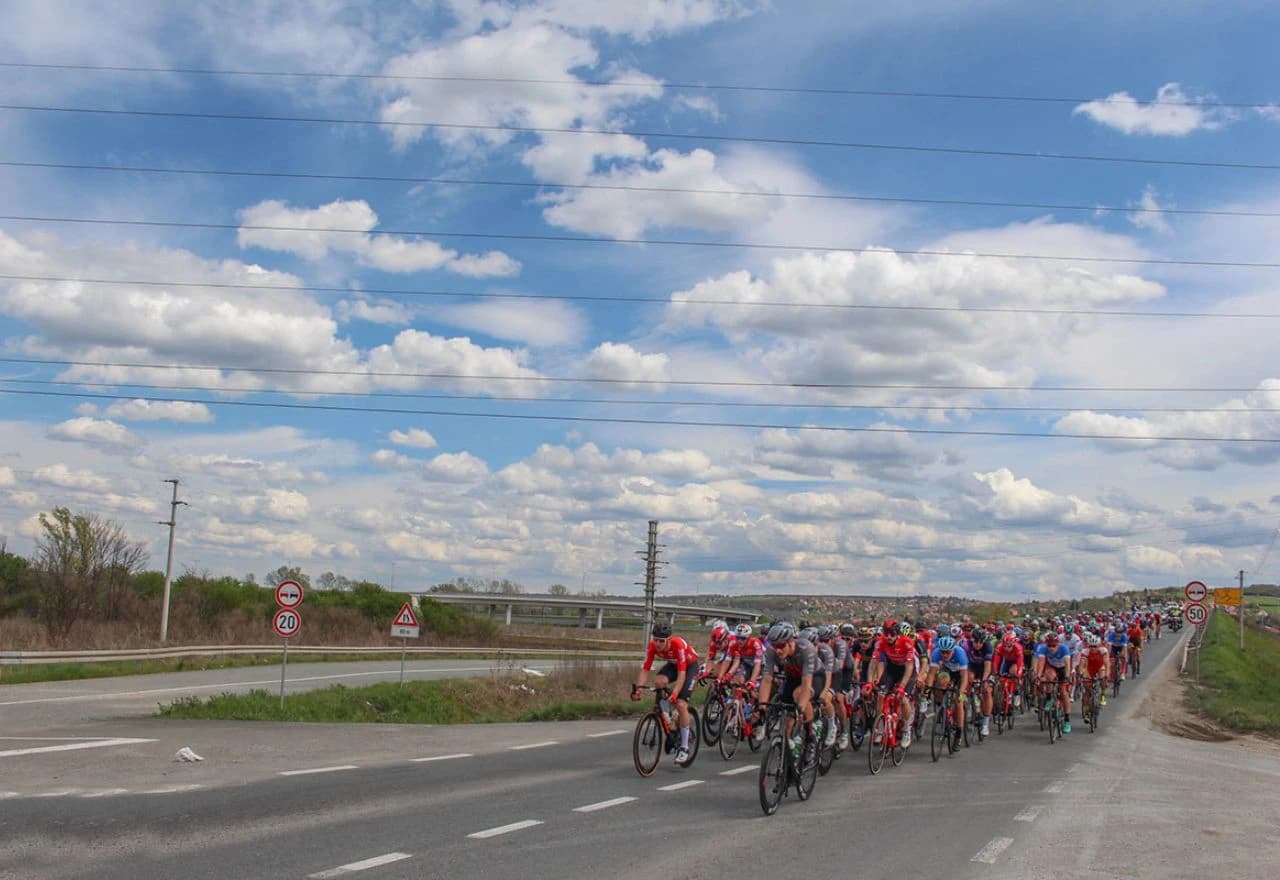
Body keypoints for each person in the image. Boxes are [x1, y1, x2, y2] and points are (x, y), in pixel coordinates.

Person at [632, 622, 700, 765]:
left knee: (681, 704)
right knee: (659, 682)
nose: (657, 643)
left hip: (689, 667)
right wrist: (639, 689)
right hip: (673, 665)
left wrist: (675, 693)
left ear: (668, 639)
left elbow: (682, 675)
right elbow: (645, 669)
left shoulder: (678, 645)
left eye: (661, 641)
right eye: (655, 639)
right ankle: (668, 716)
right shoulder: (652, 646)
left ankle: (684, 747)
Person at [754, 622, 819, 759]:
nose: (777, 650)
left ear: (791, 642)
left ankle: (810, 737)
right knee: (788, 720)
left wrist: (800, 708)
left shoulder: (806, 649)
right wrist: (762, 708)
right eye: (774, 646)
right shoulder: (771, 652)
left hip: (815, 676)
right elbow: (767, 680)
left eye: (781, 646)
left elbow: (806, 684)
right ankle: (789, 758)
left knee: (799, 697)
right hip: (793, 676)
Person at [873, 620, 918, 748]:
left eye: (892, 634)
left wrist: (902, 686)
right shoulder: (881, 641)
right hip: (892, 669)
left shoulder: (907, 642)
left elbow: (910, 667)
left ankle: (906, 730)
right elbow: (874, 662)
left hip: (907, 670)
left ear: (898, 634)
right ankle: (881, 727)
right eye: (886, 634)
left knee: (903, 699)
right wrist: (870, 682)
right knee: (881, 695)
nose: (889, 637)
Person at [924, 635, 971, 741]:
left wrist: (962, 692)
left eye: (947, 652)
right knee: (940, 683)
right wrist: (927, 690)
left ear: (952, 650)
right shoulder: (936, 653)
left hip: (959, 673)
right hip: (947, 670)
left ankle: (959, 732)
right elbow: (931, 674)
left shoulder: (960, 653)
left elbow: (964, 677)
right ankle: (943, 707)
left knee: (958, 702)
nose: (944, 655)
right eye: (942, 652)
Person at [1033, 632, 1073, 734]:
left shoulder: (1064, 649)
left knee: (1064, 693)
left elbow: (1068, 665)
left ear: (1057, 644)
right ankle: (1049, 697)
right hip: (1052, 667)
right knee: (1048, 676)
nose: (1051, 648)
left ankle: (1067, 720)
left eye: (1053, 646)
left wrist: (1067, 676)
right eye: (1049, 645)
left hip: (1063, 669)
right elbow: (1041, 664)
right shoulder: (1043, 648)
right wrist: (1038, 675)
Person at [967, 628, 995, 736]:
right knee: (968, 680)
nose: (978, 644)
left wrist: (984, 681)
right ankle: (970, 705)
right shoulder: (966, 645)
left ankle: (985, 724)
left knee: (987, 691)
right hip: (972, 667)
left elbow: (988, 667)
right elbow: (965, 665)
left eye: (980, 642)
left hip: (985, 669)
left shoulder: (988, 647)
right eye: (975, 641)